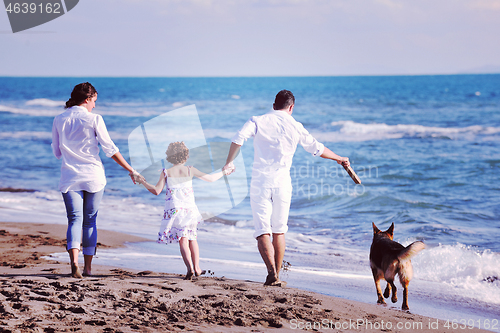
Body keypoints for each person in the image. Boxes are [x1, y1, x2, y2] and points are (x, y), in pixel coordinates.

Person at [223, 90, 350, 286]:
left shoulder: (257, 120)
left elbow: (238, 138)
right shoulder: (295, 125)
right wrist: (339, 158)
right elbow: (317, 148)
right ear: (291, 107)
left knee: (262, 230)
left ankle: (271, 273)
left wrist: (229, 162)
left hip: (260, 182)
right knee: (279, 231)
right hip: (283, 183)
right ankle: (277, 276)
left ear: (274, 105)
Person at [52, 82, 142, 278]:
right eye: (94, 101)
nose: (94, 105)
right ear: (87, 99)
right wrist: (131, 170)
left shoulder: (59, 119)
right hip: (93, 176)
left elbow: (57, 152)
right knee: (89, 221)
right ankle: (88, 268)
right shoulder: (95, 119)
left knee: (74, 220)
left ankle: (74, 263)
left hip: (70, 176)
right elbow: (110, 149)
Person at [138, 141, 234, 280]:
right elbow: (211, 179)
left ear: (169, 156)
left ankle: (189, 268)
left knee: (182, 239)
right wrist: (225, 171)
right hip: (190, 210)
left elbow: (156, 191)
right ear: (186, 156)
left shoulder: (166, 172)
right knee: (192, 238)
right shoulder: (190, 170)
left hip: (174, 210)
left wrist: (143, 182)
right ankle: (197, 268)